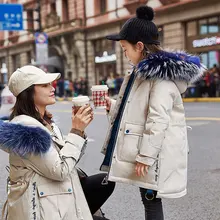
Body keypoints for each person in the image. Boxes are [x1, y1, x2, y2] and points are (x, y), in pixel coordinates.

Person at [100, 6, 205, 220]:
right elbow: (136, 110)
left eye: (124, 48)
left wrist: (146, 156)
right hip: (148, 150)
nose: (124, 53)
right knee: (148, 199)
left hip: (154, 152)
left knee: (151, 201)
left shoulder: (160, 79)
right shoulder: (140, 73)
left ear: (139, 46)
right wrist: (113, 107)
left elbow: (157, 119)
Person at [0, 65, 113, 220]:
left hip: (54, 195)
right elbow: (60, 170)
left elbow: (69, 161)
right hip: (41, 209)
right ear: (28, 92)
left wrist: (80, 132)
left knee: (105, 182)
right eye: (44, 85)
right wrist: (76, 131)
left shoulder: (45, 122)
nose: (52, 88)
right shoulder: (26, 129)